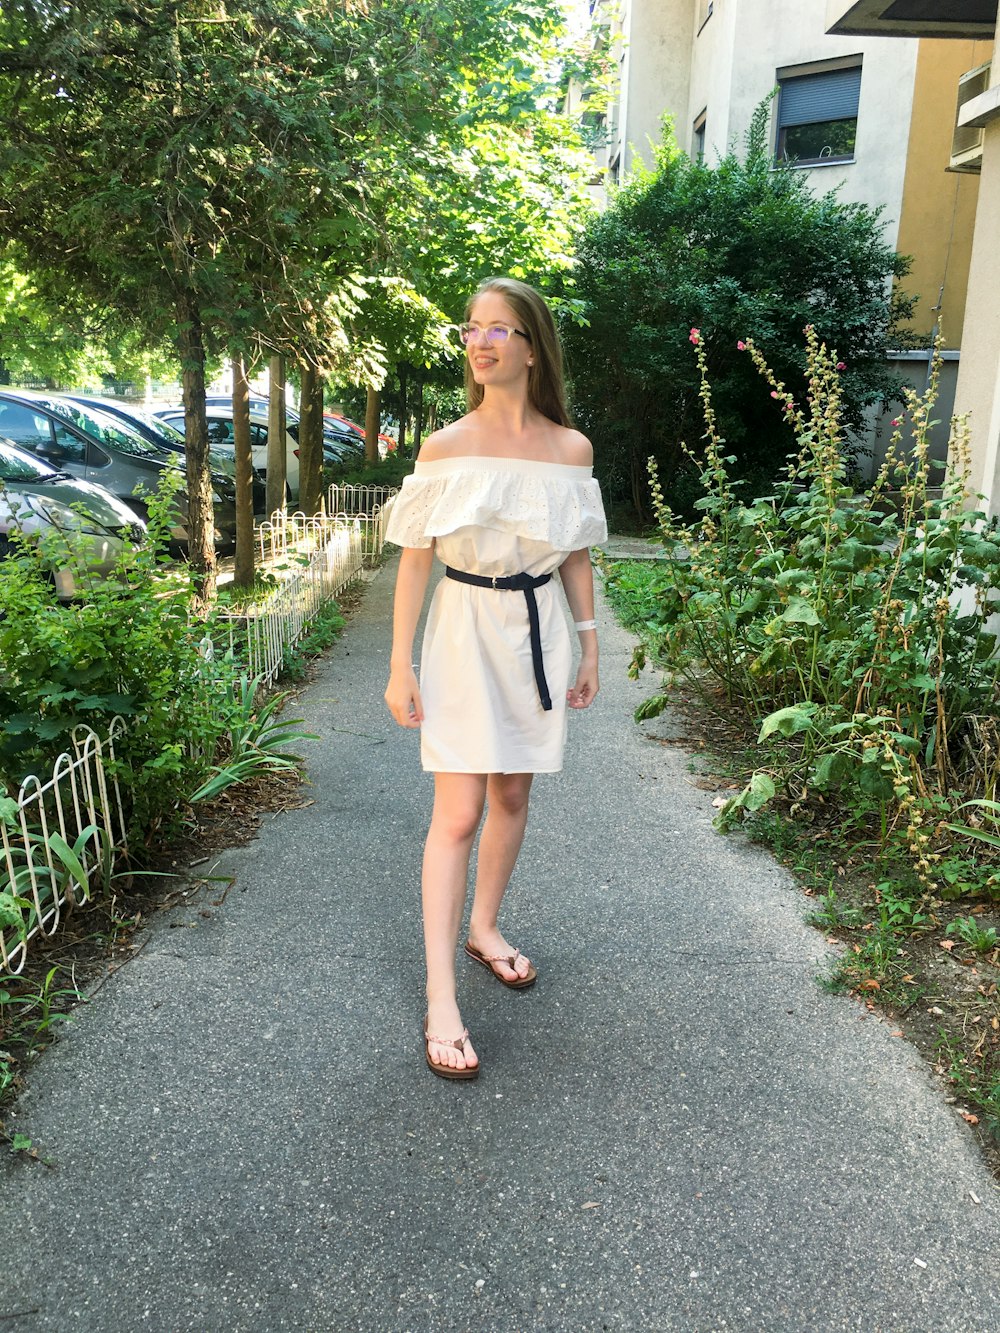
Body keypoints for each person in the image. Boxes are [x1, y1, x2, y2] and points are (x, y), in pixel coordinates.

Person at [383, 277, 608, 1080]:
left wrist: (588, 643)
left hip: (537, 629)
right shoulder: (445, 446)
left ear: (533, 345)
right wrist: (399, 663)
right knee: (459, 809)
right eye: (471, 329)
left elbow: (575, 550)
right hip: (462, 630)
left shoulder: (569, 448)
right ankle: (442, 995)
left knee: (514, 793)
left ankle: (484, 927)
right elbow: (415, 559)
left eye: (497, 330)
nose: (479, 343)